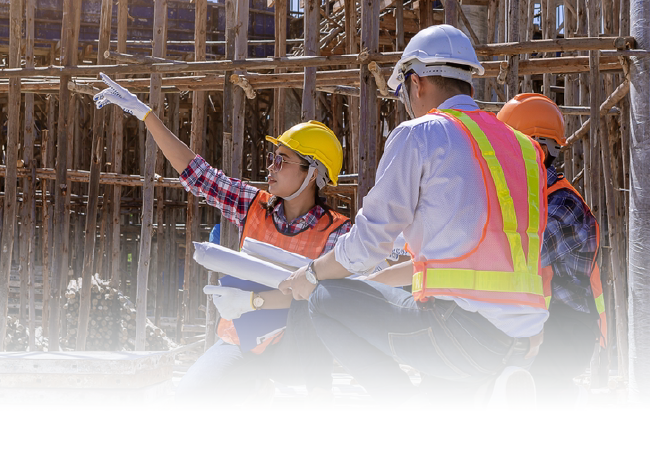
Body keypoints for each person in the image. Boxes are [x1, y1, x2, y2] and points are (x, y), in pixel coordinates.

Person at [279, 24, 549, 403]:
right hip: (524, 338)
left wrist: (309, 274)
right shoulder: (522, 147)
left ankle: (407, 413)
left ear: (417, 82)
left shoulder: (420, 134)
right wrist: (381, 280)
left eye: (404, 90)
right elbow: (479, 252)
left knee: (323, 298)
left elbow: (367, 245)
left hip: (458, 334)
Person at [93, 74, 351, 402]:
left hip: (296, 355)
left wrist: (254, 302)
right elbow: (198, 173)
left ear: (313, 172)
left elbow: (323, 301)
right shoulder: (254, 205)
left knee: (317, 300)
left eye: (280, 160)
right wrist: (148, 116)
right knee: (187, 401)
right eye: (273, 158)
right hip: (240, 341)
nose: (269, 167)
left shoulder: (337, 232)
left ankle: (314, 403)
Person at [497, 93, 604, 404]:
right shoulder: (527, 202)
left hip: (565, 328)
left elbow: (523, 257)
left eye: (508, 149)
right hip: (537, 323)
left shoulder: (562, 204)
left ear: (539, 150)